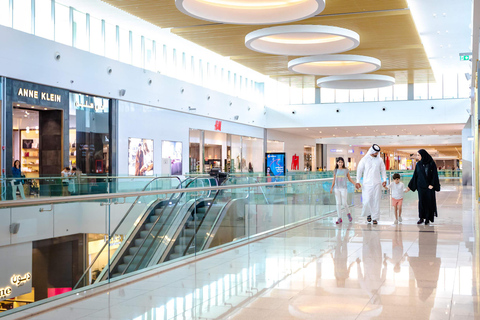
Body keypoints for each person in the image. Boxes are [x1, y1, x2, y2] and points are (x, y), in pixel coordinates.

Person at [355, 144, 387, 225]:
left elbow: (383, 170)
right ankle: (368, 214)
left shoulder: (379, 160)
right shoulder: (364, 159)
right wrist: (358, 181)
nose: (376, 154)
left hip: (377, 183)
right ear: (371, 151)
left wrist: (384, 179)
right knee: (367, 200)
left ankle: (375, 218)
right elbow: (359, 170)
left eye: (377, 153)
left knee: (376, 200)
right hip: (367, 184)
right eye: (375, 153)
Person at [407, 149, 440, 225]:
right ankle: (421, 218)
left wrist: (432, 184)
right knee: (421, 202)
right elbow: (415, 175)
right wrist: (410, 186)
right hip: (421, 187)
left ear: (423, 155)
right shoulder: (418, 164)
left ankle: (428, 218)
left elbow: (434, 175)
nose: (417, 156)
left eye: (419, 155)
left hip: (429, 188)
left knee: (429, 202)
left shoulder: (431, 163)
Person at [330, 157, 356, 224]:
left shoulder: (346, 170)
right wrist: (332, 187)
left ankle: (348, 214)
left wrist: (355, 184)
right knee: (338, 203)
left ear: (343, 163)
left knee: (344, 203)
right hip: (337, 188)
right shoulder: (335, 170)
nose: (340, 163)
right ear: (337, 163)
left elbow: (349, 178)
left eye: (341, 162)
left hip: (344, 188)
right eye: (339, 162)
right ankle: (339, 218)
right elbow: (334, 179)